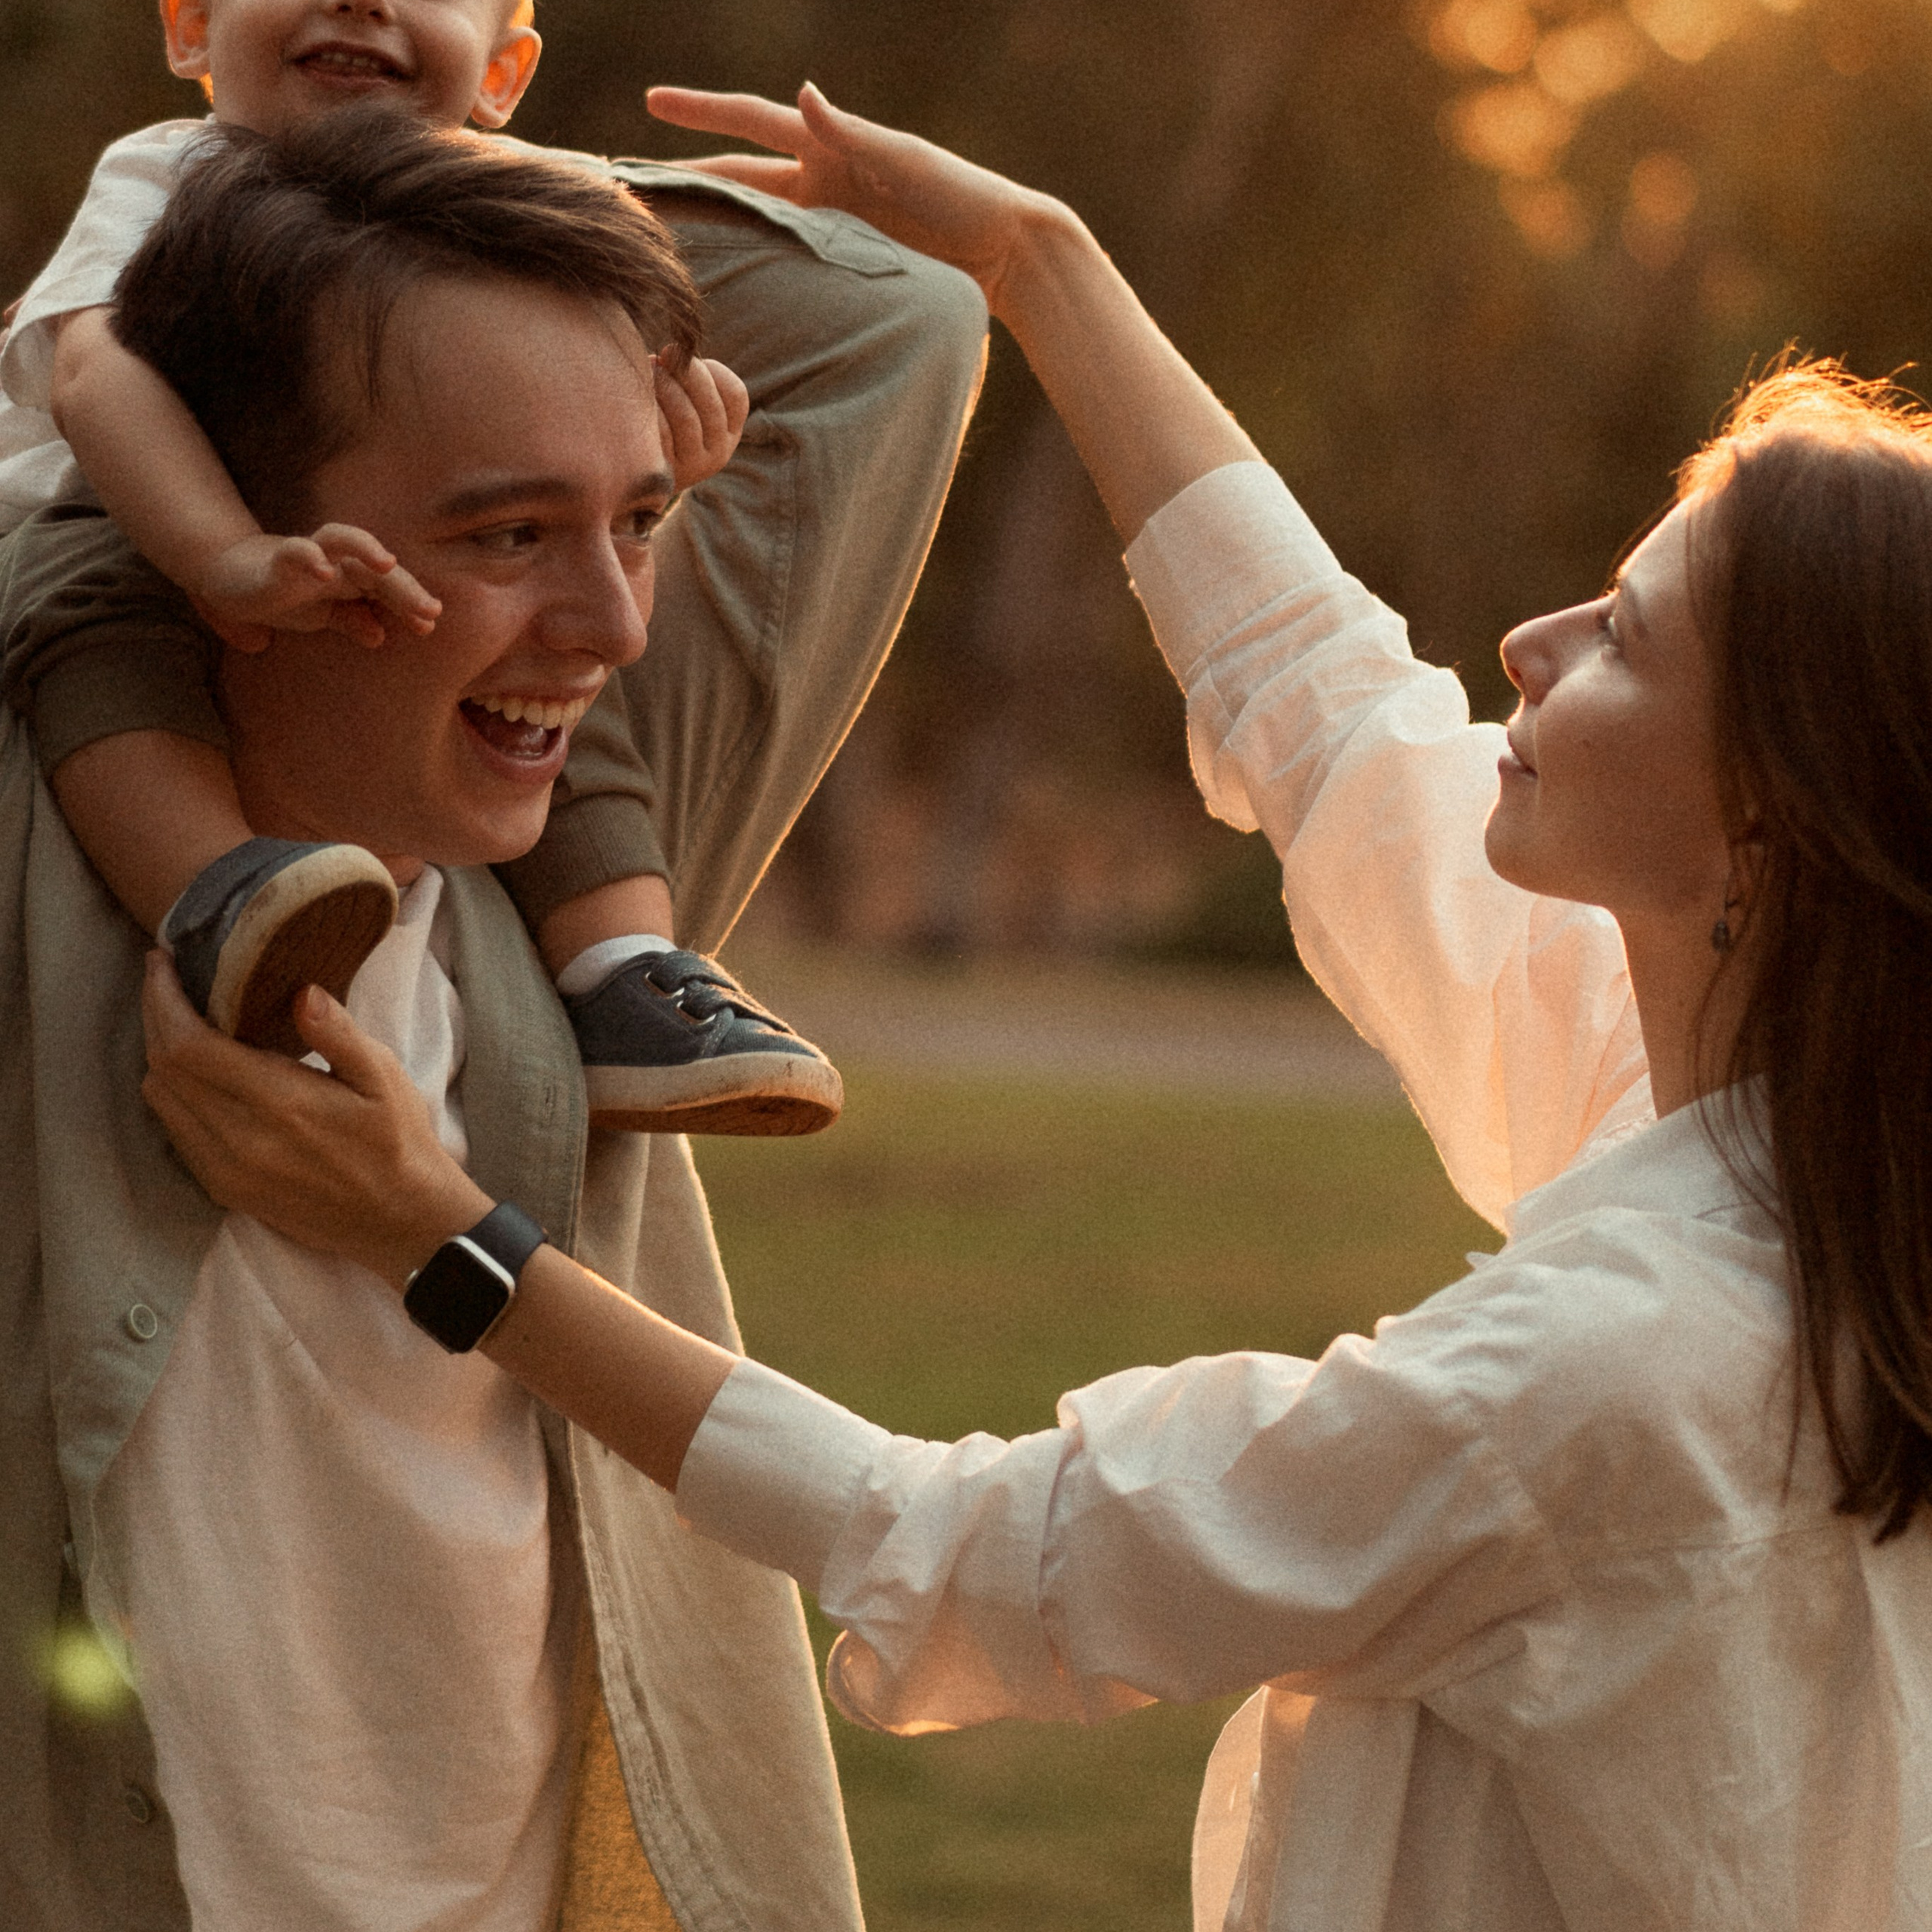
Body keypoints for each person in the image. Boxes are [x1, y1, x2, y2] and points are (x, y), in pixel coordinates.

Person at [144, 85, 1932, 1932]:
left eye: (1621, 635)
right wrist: (1035, 262)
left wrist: (439, 1235)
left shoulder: (1625, 1359)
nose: (1527, 645)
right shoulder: (1805, 1154)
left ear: (1764, 822)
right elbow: (1326, 708)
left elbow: (973, 1555)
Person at [0, 102, 986, 1932]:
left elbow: (895, 312)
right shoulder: (40, 837)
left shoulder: (596, 917)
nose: (612, 625)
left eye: (641, 517)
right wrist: (210, 327)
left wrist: (437, 160)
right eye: (510, 529)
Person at [0, 0, 862, 1136]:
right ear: (190, 27)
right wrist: (225, 554)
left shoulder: (506, 214)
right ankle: (218, 896)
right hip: (101, 502)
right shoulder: (164, 173)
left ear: (503, 76)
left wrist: (655, 467)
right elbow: (95, 377)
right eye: (509, 530)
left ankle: (622, 968)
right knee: (92, 618)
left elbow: (896, 313)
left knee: (559, 677)